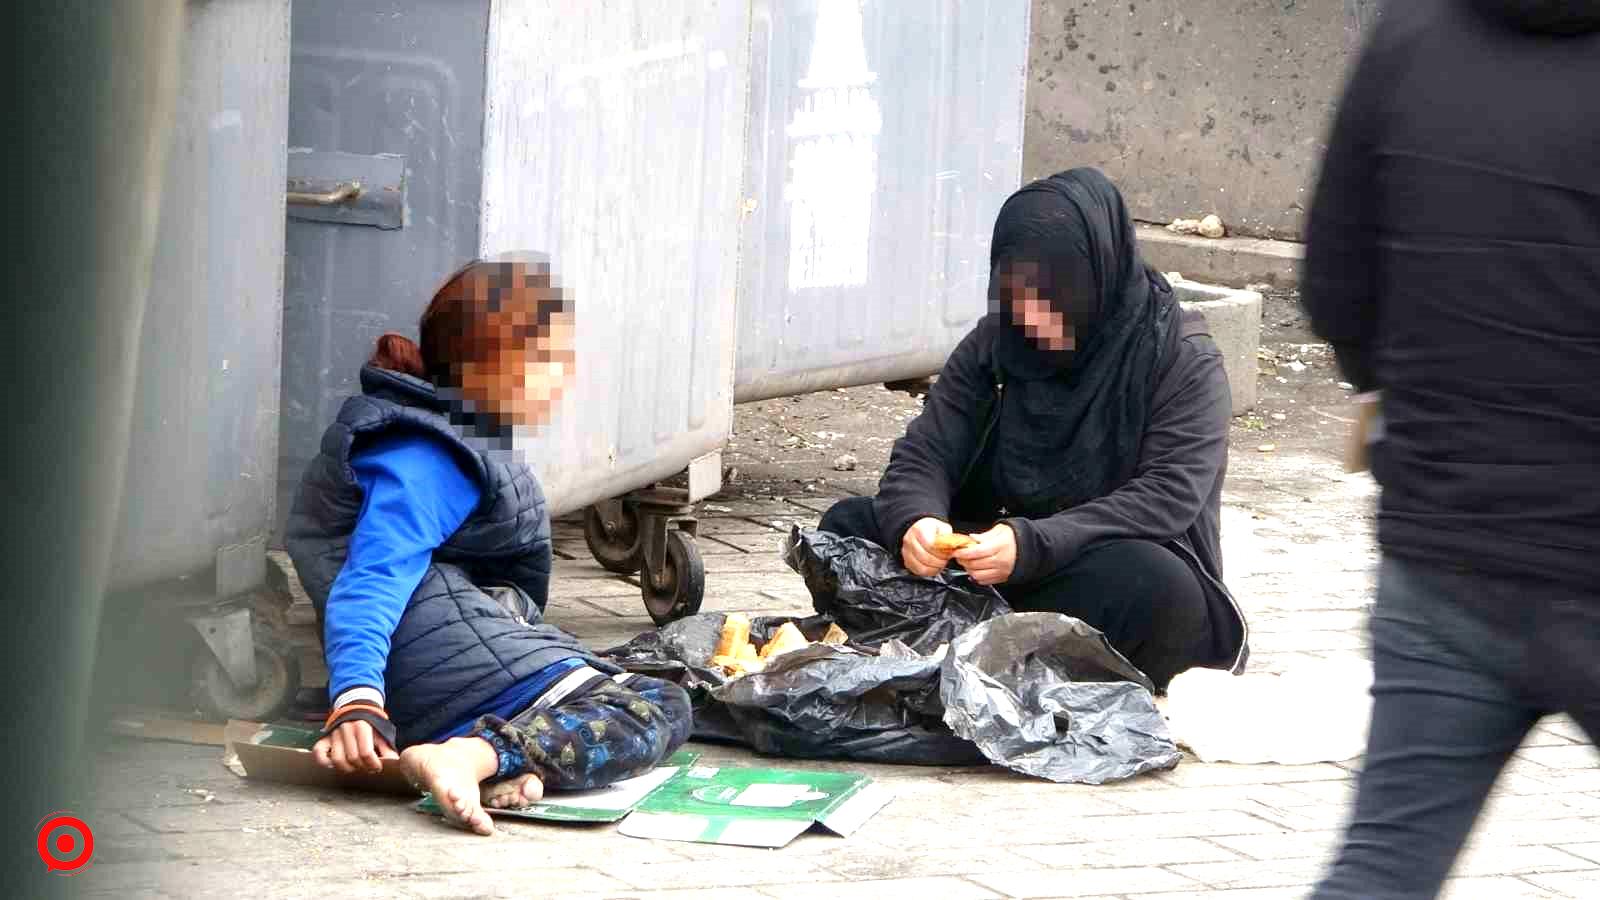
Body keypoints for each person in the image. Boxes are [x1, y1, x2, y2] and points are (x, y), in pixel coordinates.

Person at [1301, 2, 1600, 896]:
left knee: (1383, 867)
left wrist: (1416, 401)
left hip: (1443, 557)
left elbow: (1333, 286)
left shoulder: (1410, 33)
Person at [283, 254, 692, 836]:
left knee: (620, 673)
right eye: (547, 359)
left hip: (446, 658)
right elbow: (370, 575)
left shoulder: (448, 436)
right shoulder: (427, 458)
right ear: (481, 366)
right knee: (655, 704)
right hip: (435, 669)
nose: (564, 375)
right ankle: (465, 756)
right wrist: (356, 698)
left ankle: (489, 762)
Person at [819, 168, 1248, 690]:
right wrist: (917, 520)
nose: (1032, 316)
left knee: (1158, 588)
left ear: (1097, 278)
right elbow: (926, 450)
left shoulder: (1179, 358)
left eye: (1052, 297)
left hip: (1088, 561)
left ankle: (961, 644)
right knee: (848, 527)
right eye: (1016, 293)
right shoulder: (997, 343)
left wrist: (1033, 544)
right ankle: (988, 650)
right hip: (985, 561)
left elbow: (1167, 496)